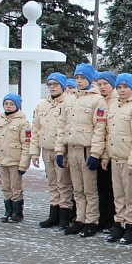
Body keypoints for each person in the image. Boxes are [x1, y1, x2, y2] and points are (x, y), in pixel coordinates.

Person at [55, 63, 107, 237]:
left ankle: (91, 221)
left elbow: (100, 128)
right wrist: (60, 150)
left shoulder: (97, 100)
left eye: (82, 78)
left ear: (90, 80)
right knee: (77, 189)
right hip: (72, 149)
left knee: (90, 189)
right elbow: (61, 126)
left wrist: (95, 154)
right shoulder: (69, 99)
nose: (79, 81)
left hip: (87, 150)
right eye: (77, 78)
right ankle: (79, 219)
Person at [103, 73, 132, 245]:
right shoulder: (114, 105)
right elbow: (109, 133)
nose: (122, 90)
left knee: (131, 196)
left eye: (125, 87)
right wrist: (107, 155)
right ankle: (119, 223)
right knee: (118, 195)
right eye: (119, 87)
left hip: (129, 159)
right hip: (116, 158)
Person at [31, 72, 74, 229]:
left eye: (56, 84)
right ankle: (53, 213)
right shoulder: (42, 105)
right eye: (50, 84)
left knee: (64, 183)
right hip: (46, 149)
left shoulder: (69, 103)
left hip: (61, 150)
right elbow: (35, 128)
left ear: (62, 86)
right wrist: (34, 152)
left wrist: (64, 151)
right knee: (52, 182)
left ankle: (65, 214)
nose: (52, 87)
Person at [0, 93, 31, 223]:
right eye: (6, 104)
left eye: (12, 104)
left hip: (15, 161)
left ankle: (17, 212)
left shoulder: (23, 123)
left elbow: (26, 144)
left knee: (15, 187)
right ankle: (8, 210)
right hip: (2, 160)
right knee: (5, 186)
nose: (8, 106)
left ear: (17, 106)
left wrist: (23, 165)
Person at [96, 71, 118, 233]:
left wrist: (106, 154)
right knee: (102, 188)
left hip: (112, 151)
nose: (102, 87)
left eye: (106, 84)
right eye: (100, 84)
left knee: (113, 190)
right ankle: (103, 218)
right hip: (99, 149)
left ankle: (112, 220)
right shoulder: (98, 101)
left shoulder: (117, 102)